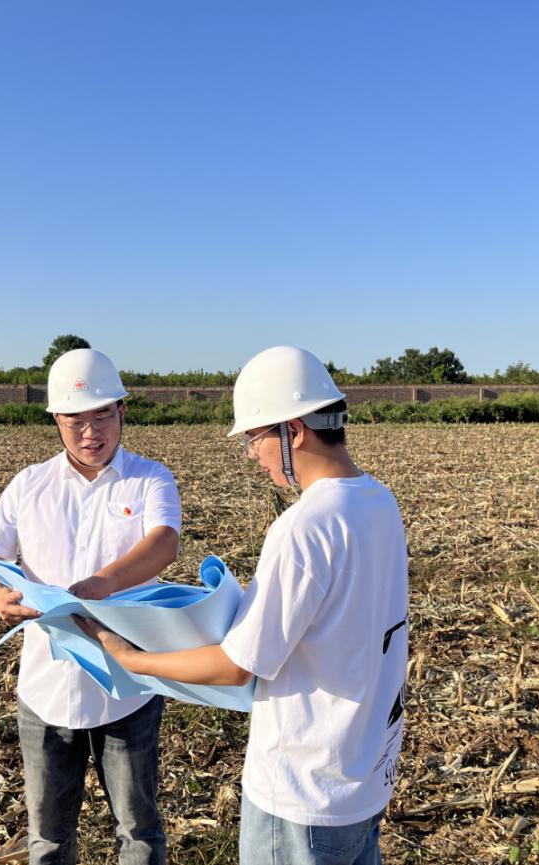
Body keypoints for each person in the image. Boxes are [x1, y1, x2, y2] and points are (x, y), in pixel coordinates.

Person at [79, 345, 409, 865]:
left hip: (302, 793)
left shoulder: (304, 528)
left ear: (293, 431)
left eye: (255, 437)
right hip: (364, 780)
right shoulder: (379, 501)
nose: (253, 454)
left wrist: (133, 660)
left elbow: (239, 666)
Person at [0, 348, 181, 865]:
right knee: (48, 837)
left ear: (122, 411)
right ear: (56, 421)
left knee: (138, 830)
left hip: (127, 686)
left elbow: (163, 543)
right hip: (46, 687)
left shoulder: (150, 478)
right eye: (75, 420)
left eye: (102, 415)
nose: (90, 432)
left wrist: (103, 583)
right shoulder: (29, 484)